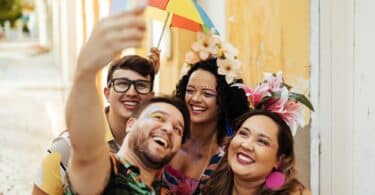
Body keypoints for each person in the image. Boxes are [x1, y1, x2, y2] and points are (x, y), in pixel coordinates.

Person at [32, 6, 160, 195]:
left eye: (141, 85)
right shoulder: (65, 147)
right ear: (107, 93)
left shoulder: (154, 148)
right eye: (122, 84)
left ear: (151, 96)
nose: (132, 92)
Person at [158, 32, 250, 194]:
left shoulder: (228, 156)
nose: (195, 99)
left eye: (207, 94)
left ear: (224, 102)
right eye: (190, 90)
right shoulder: (166, 135)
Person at [202, 73, 313, 195]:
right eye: (243, 134)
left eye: (262, 141)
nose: (246, 145)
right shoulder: (212, 184)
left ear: (279, 160)